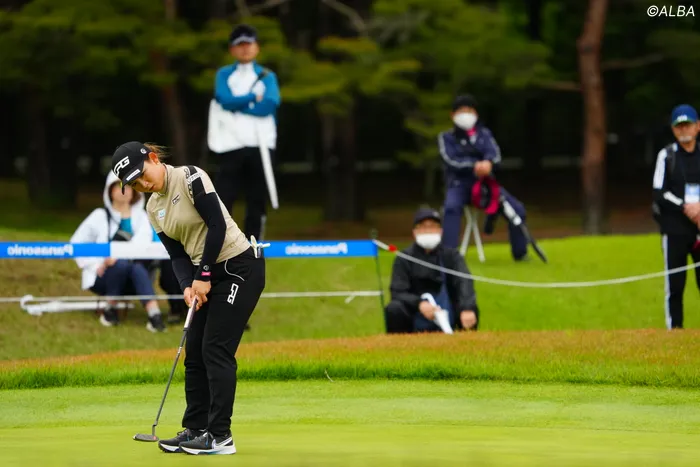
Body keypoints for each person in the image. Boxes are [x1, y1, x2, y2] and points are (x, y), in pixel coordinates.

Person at [110, 141, 265, 455]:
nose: (143, 185)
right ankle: (196, 429)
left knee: (215, 349)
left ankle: (220, 436)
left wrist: (203, 275)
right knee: (194, 352)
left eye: (142, 175)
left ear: (153, 158)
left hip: (239, 267)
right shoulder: (153, 208)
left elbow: (216, 225)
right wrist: (186, 285)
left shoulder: (191, 177)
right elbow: (177, 254)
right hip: (203, 275)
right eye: (135, 184)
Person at [208, 23, 281, 241]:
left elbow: (269, 104)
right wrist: (252, 98)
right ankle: (223, 244)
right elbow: (224, 100)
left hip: (261, 145)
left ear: (257, 47)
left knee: (256, 199)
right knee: (224, 197)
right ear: (232, 49)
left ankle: (254, 245)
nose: (245, 49)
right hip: (230, 144)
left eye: (249, 44)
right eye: (240, 45)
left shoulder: (267, 75)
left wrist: (238, 106)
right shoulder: (224, 74)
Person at [70, 171, 166, 331]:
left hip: (134, 277)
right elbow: (76, 244)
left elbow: (141, 245)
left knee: (132, 267)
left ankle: (153, 316)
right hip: (103, 276)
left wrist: (118, 257)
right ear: (110, 190)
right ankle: (112, 311)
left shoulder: (142, 217)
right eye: (119, 186)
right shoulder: (99, 216)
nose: (125, 190)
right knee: (122, 266)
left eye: (129, 186)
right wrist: (96, 265)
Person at [438, 94, 529, 261]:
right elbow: (451, 160)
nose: (466, 115)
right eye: (462, 111)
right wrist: (475, 166)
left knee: (518, 209)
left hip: (486, 186)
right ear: (453, 115)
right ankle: (448, 257)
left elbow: (495, 156)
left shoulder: (484, 135)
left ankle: (520, 253)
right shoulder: (446, 138)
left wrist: (488, 164)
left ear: (476, 114)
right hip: (459, 185)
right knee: (450, 208)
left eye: (469, 110)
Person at [384, 207, 479, 334]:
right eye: (423, 227)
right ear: (415, 232)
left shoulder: (451, 256)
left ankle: (465, 341)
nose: (428, 231)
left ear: (440, 231)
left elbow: (464, 281)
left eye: (433, 227)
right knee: (394, 308)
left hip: (447, 310)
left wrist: (467, 307)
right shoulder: (404, 258)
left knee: (471, 308)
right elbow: (397, 291)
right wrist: (419, 304)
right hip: (414, 312)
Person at [652, 104, 700, 330]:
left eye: (687, 125)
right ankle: (675, 331)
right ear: (673, 130)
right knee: (675, 285)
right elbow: (659, 192)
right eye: (679, 126)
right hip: (674, 231)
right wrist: (685, 207)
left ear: (698, 126)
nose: (684, 130)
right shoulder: (666, 156)